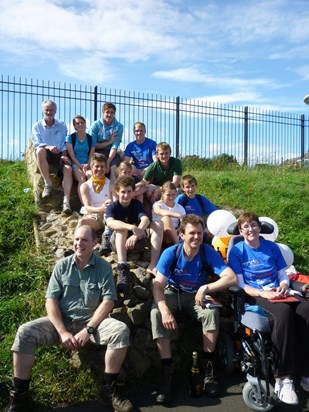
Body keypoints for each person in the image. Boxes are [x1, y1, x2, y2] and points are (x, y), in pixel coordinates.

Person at [5, 225, 133, 412]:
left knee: (120, 330)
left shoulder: (103, 268)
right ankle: (20, 396)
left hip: (91, 324)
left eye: (84, 240)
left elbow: (108, 303)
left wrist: (88, 330)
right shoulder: (62, 266)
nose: (78, 243)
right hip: (62, 323)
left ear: (95, 243)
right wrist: (62, 331)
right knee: (25, 332)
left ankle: (109, 391)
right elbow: (51, 302)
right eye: (76, 239)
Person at [150, 214, 237, 403]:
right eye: (191, 233)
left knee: (211, 312)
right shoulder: (171, 253)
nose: (196, 237)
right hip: (173, 293)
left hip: (197, 295)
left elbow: (231, 278)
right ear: (181, 235)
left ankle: (208, 369)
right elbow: (157, 286)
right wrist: (165, 310)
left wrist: (206, 288)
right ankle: (167, 372)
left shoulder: (207, 252)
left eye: (199, 233)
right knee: (156, 313)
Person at [228, 211, 309, 406]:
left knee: (306, 309)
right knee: (283, 313)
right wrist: (263, 294)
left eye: (254, 225)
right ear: (240, 230)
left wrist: (282, 285)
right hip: (255, 294)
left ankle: (306, 371)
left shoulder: (271, 247)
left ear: (259, 227)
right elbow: (240, 283)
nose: (250, 229)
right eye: (245, 226)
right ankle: (284, 378)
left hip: (278, 291)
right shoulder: (237, 251)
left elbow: (282, 273)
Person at [105, 176, 164, 291]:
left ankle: (153, 264)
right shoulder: (113, 206)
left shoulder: (136, 204)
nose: (126, 195)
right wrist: (131, 227)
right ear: (117, 192)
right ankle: (122, 267)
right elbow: (110, 222)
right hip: (118, 242)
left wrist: (136, 235)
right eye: (123, 192)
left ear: (133, 192)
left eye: (129, 192)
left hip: (136, 241)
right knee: (121, 227)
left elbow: (145, 219)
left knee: (159, 224)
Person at [31, 99, 73, 213]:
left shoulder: (62, 125)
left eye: (51, 110)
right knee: (40, 151)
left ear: (56, 111)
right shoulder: (37, 126)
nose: (49, 112)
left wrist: (64, 155)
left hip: (59, 154)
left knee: (68, 169)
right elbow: (37, 143)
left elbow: (65, 142)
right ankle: (47, 183)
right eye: (47, 110)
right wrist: (48, 147)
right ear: (42, 110)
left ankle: (66, 202)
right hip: (46, 152)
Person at [176, 174, 218, 241]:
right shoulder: (181, 199)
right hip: (185, 229)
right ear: (183, 188)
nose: (191, 189)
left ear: (196, 186)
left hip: (199, 228)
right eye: (187, 187)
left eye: (192, 186)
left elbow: (216, 212)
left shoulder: (200, 199)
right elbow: (173, 211)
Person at [66, 115, 96, 203]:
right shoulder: (70, 138)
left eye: (82, 122)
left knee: (91, 176)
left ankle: (94, 202)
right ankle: (84, 205)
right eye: (77, 123)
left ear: (85, 123)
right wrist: (80, 166)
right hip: (75, 163)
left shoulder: (91, 139)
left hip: (87, 164)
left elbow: (91, 154)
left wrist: (88, 164)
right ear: (74, 126)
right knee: (82, 178)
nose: (80, 125)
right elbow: (71, 155)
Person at [90, 102, 123, 172]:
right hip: (97, 151)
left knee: (113, 168)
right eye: (107, 112)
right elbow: (93, 145)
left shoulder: (119, 126)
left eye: (112, 112)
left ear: (114, 114)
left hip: (111, 152)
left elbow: (115, 146)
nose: (109, 115)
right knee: (99, 166)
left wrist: (108, 162)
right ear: (103, 113)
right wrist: (109, 142)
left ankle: (112, 182)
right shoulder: (95, 125)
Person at [152, 181, 186, 246]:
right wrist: (178, 215)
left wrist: (179, 229)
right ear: (162, 193)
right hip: (160, 232)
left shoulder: (180, 207)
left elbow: (183, 222)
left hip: (175, 232)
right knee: (166, 218)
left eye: (173, 194)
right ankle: (179, 245)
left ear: (176, 193)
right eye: (168, 195)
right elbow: (159, 211)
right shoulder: (158, 204)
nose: (171, 197)